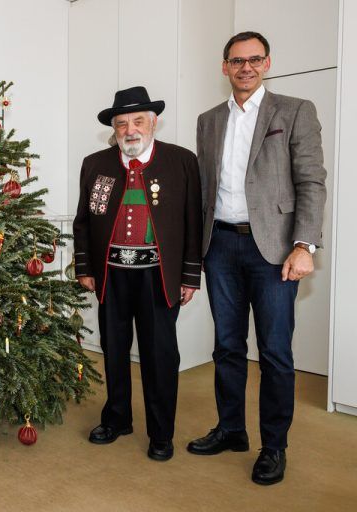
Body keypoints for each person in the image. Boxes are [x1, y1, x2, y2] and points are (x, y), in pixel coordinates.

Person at [188, 31, 327, 486]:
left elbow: (311, 181)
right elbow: (203, 189)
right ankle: (231, 429)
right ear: (224, 67)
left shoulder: (294, 110)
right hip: (220, 246)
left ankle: (274, 446)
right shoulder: (208, 120)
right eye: (236, 60)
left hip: (275, 250)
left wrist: (304, 245)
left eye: (254, 59)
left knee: (275, 353)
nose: (245, 67)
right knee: (227, 347)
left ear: (267, 63)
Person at [73, 86, 202, 461]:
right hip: (111, 275)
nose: (130, 130)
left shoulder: (181, 161)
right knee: (113, 350)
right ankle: (117, 418)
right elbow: (83, 222)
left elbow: (194, 222)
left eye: (138, 121)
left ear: (153, 123)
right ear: (113, 128)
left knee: (159, 355)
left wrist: (189, 276)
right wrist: (85, 267)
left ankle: (161, 433)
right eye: (122, 123)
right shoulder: (95, 164)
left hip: (158, 276)